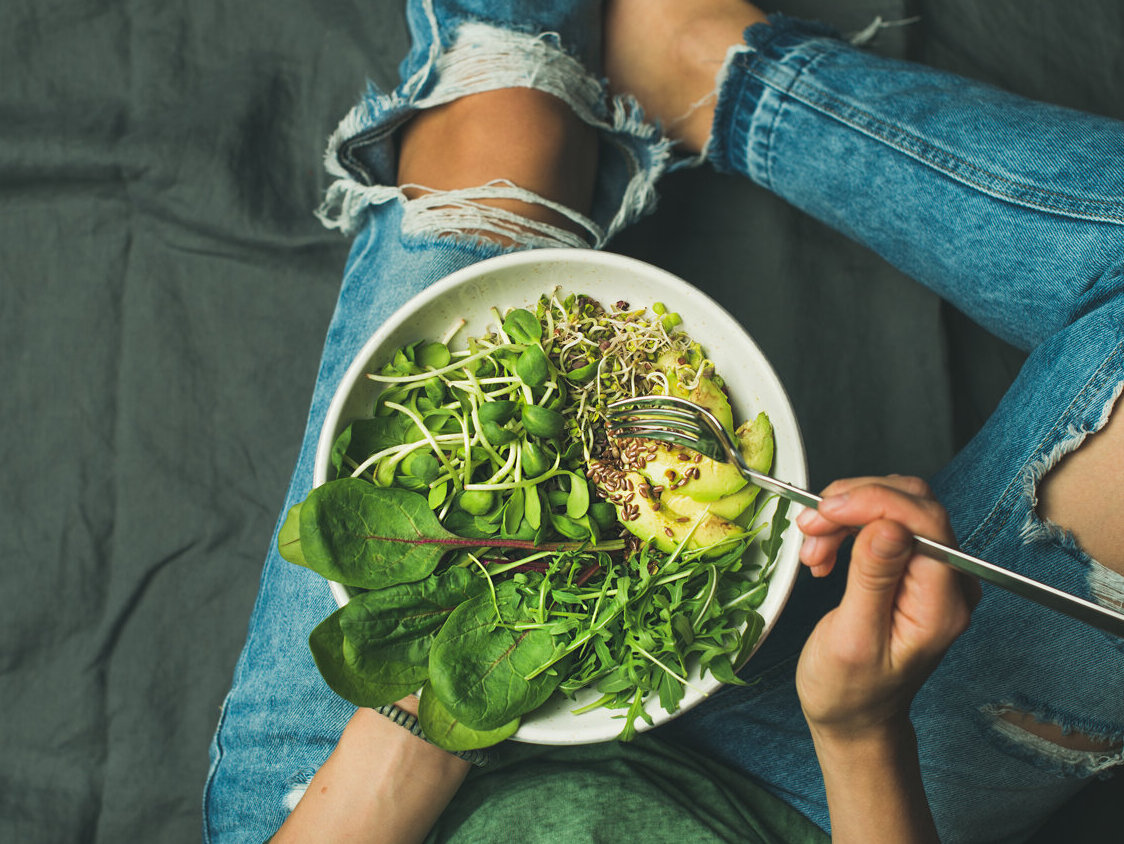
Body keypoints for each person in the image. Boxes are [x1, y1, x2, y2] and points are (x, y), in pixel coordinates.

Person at [203, 2, 1124, 842]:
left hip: (356, 798)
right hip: (803, 798)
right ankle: (732, 85)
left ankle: (663, 74)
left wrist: (430, 700)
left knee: (508, 92)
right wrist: (859, 733)